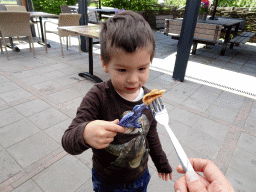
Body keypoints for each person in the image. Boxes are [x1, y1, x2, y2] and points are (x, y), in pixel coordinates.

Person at [62, 10, 172, 192]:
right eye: (122, 70)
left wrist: (161, 162)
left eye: (142, 68)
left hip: (140, 176)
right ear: (105, 64)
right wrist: (85, 133)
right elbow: (68, 140)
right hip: (107, 181)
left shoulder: (150, 98)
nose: (133, 80)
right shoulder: (97, 96)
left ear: (150, 61)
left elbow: (151, 133)